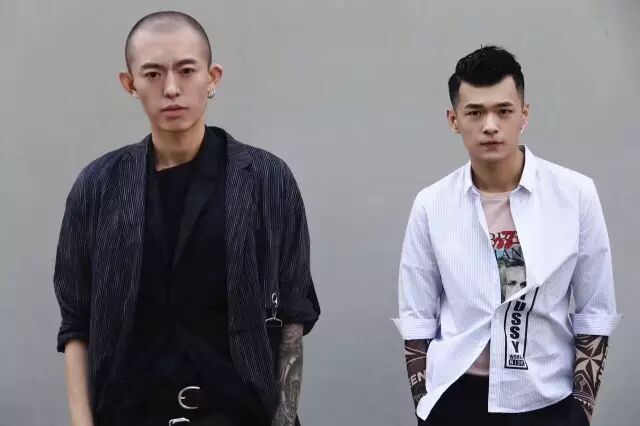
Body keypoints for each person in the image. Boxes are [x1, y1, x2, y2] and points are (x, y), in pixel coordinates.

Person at [53, 11, 319, 426]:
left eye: (186, 70)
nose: (171, 88)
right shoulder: (99, 186)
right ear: (130, 83)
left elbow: (293, 313)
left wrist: (284, 419)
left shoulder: (267, 180)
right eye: (153, 74)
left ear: (212, 77)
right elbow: (76, 323)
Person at [393, 45, 621, 425]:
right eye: (475, 112)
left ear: (524, 114)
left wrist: (581, 412)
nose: (490, 126)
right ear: (453, 120)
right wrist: (425, 404)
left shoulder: (576, 195)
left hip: (545, 399)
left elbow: (595, 311)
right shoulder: (431, 205)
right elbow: (416, 318)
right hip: (456, 399)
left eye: (503, 111)